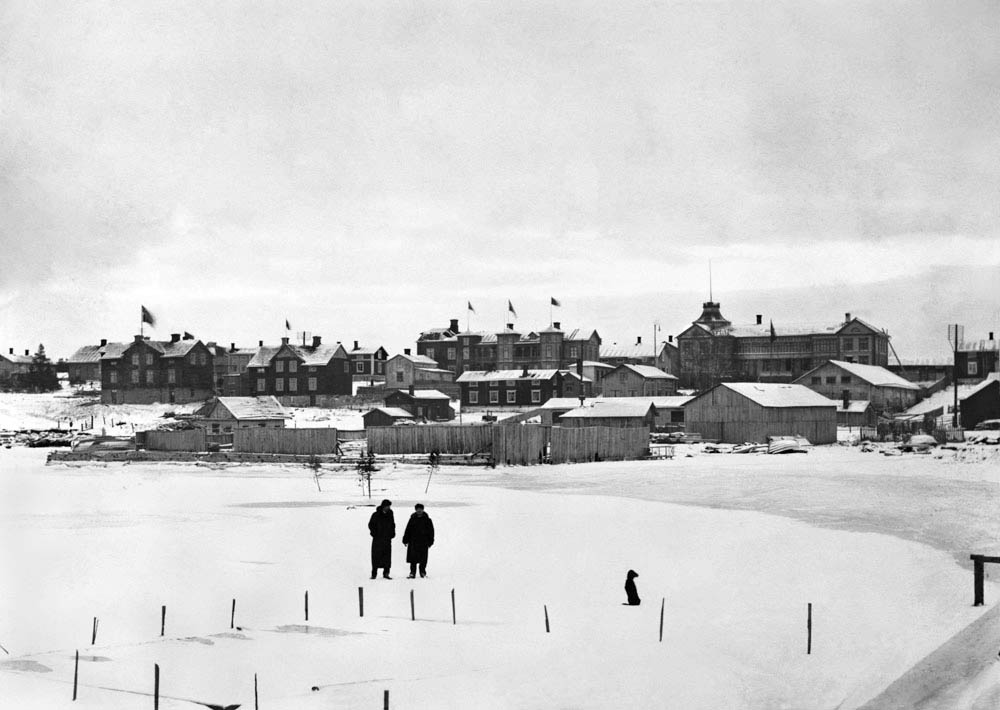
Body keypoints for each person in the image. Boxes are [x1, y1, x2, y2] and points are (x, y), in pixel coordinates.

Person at [402, 503, 435, 579]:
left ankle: (422, 572)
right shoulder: (412, 519)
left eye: (421, 509)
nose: (419, 510)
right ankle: (412, 573)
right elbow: (408, 530)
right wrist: (405, 539)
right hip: (413, 542)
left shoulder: (427, 520)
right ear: (415, 510)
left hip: (424, 542)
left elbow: (431, 531)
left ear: (423, 510)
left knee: (423, 559)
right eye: (418, 509)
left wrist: (430, 541)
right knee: (413, 558)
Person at [368, 499, 395, 579]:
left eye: (389, 506)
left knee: (387, 557)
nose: (388, 508)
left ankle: (386, 573)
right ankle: (374, 574)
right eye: (387, 506)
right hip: (377, 539)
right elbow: (371, 525)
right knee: (376, 556)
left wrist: (392, 533)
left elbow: (392, 524)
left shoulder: (390, 514)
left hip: (387, 539)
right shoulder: (376, 514)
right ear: (383, 506)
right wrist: (374, 533)